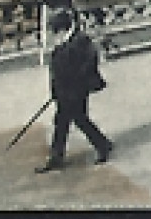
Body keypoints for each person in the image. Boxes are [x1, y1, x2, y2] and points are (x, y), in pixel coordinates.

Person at [37, 9, 112, 172]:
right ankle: (58, 156)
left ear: (64, 28)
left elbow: (88, 65)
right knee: (63, 121)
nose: (55, 35)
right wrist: (56, 90)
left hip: (77, 89)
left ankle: (102, 145)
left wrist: (74, 84)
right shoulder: (64, 42)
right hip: (65, 90)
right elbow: (56, 70)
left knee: (79, 119)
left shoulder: (81, 41)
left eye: (56, 31)